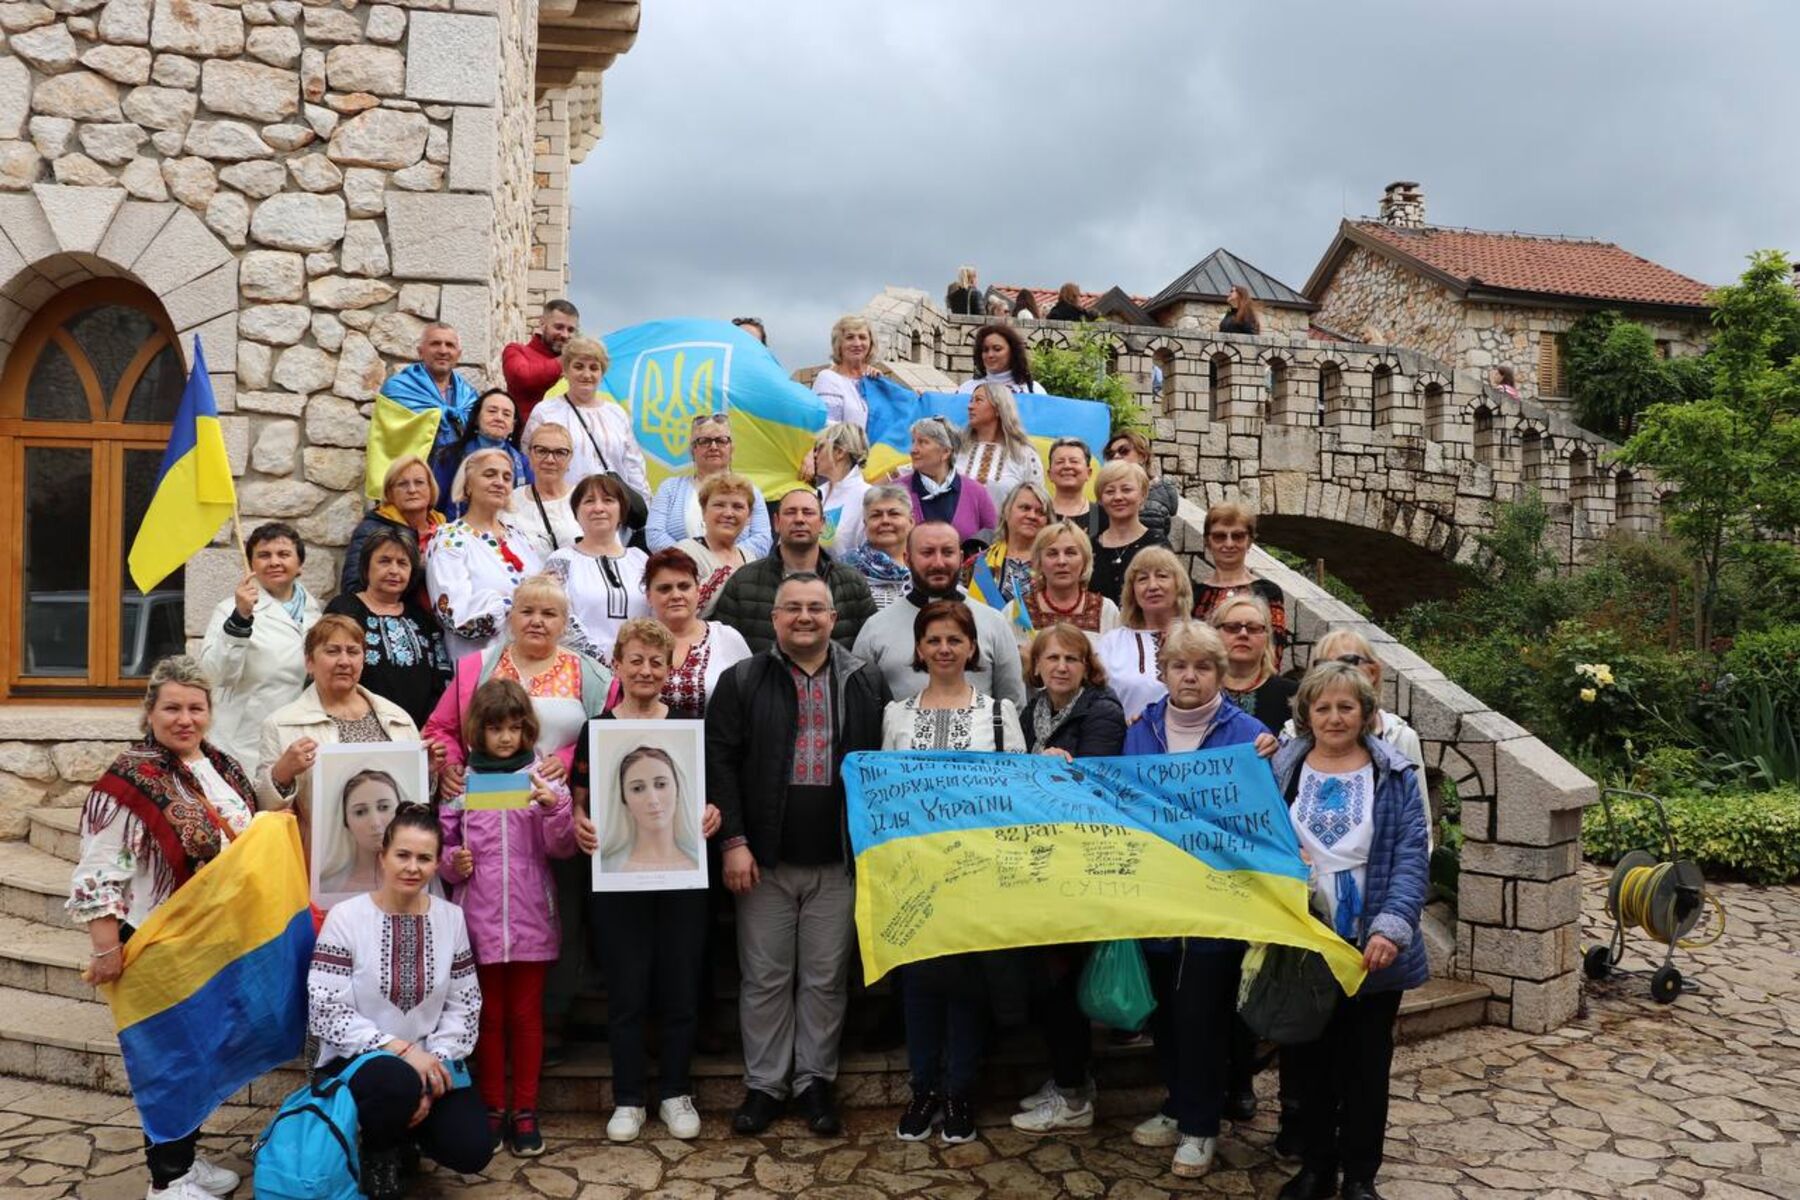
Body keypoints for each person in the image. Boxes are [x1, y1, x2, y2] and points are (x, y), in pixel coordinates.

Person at [707, 573, 891, 1137]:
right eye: (794, 608)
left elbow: (881, 766)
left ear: (835, 619)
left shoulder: (865, 680)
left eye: (816, 608)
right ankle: (765, 1085)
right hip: (763, 860)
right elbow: (720, 763)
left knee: (825, 978)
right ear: (775, 619)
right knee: (764, 977)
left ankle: (814, 1082)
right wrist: (734, 841)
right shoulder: (742, 680)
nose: (805, 617)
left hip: (837, 859)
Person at [69, 657, 260, 1200]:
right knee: (171, 1060)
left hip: (214, 941)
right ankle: (167, 1180)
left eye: (195, 707)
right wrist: (106, 949)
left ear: (209, 713)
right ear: (149, 711)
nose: (185, 718)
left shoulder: (220, 764)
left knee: (202, 1055)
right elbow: (103, 870)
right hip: (156, 939)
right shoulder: (131, 780)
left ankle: (184, 1159)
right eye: (171, 707)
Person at [421, 575, 610, 1064]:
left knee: (557, 910)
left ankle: (551, 1016)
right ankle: (486, 1033)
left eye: (549, 614)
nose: (537, 621)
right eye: (527, 611)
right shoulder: (475, 669)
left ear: (565, 623)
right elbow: (440, 729)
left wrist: (566, 762)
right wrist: (449, 766)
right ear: (511, 616)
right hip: (485, 816)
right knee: (490, 916)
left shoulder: (590, 675)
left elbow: (607, 736)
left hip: (554, 811)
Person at [1123, 620, 1279, 1179]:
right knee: (1163, 1008)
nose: (1190, 676)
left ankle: (1200, 1125)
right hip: (1157, 891)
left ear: (1220, 674)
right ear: (1162, 672)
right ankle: (1176, 1101)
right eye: (1179, 666)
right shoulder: (1141, 729)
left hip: (1218, 897)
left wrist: (1277, 753)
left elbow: (1268, 812)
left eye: (1203, 666)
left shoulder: (1249, 735)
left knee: (1202, 1011)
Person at [1271, 662, 1429, 1200]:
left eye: (1345, 707)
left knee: (1365, 1066)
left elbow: (1411, 858)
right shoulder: (1282, 770)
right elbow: (1259, 835)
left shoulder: (1395, 775)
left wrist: (1391, 927)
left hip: (1370, 944)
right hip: (1305, 938)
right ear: (1306, 714)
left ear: (1365, 713)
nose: (1334, 717)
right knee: (1307, 1060)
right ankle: (1316, 1166)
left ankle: (1360, 1176)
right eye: (1322, 707)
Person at [567, 620, 718, 1142]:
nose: (646, 670)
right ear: (618, 664)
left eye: (656, 661)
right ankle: (628, 1098)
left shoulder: (690, 727)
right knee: (627, 994)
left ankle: (676, 1092)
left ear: (670, 668)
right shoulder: (597, 729)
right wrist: (579, 821)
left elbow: (708, 795)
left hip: (682, 883)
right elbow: (581, 798)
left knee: (680, 988)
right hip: (617, 885)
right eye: (636, 660)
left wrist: (713, 813)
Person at [882, 600, 1024, 1146]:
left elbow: (1015, 792)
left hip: (977, 872)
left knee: (967, 986)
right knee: (920, 984)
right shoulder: (898, 714)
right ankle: (924, 1089)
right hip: (916, 872)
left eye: (954, 640)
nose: (944, 649)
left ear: (973, 648)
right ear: (919, 649)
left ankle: (960, 1089)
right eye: (934, 640)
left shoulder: (997, 714)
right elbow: (884, 794)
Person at [306, 805, 489, 1200]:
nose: (412, 867)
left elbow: (465, 1004)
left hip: (430, 1062)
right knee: (394, 1080)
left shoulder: (452, 919)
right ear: (383, 856)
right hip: (358, 1059)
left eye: (424, 858)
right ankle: (378, 1150)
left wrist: (434, 1063)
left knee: (472, 1148)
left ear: (438, 864)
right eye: (402, 855)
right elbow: (325, 1008)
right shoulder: (346, 918)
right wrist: (403, 1051)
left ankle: (405, 1136)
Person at [438, 677, 575, 1158]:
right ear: (479, 729)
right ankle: (493, 1107)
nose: (504, 738)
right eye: (495, 728)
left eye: (514, 729)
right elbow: (444, 848)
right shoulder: (462, 781)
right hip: (477, 919)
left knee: (526, 1017)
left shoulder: (542, 778)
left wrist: (553, 808)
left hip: (532, 914)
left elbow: (562, 846)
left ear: (527, 731)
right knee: (489, 1019)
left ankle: (526, 1109)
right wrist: (453, 862)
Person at [1010, 624, 1125, 1136]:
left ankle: (1074, 1095)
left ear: (1087, 666)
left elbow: (1095, 783)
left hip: (1079, 863)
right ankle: (1069, 1080)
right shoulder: (1022, 712)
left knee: (1064, 982)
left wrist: (1058, 768)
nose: (1060, 666)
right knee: (1047, 981)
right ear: (1035, 666)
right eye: (1050, 658)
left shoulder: (1101, 711)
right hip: (1036, 863)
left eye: (1071, 659)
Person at [255, 614, 423, 843]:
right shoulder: (281, 724)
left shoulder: (398, 718)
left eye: (353, 652)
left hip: (396, 859)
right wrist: (281, 774)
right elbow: (265, 812)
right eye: (332, 651)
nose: (344, 661)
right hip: (322, 865)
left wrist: (427, 771)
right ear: (309, 662)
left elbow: (416, 802)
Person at [1282, 629, 1432, 849]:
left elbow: (1419, 826)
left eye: (1347, 662)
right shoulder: (1292, 736)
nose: (1335, 672)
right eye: (1323, 665)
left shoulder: (1399, 736)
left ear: (1372, 671)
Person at [852, 522, 1027, 708]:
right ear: (907, 559)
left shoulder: (993, 623)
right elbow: (860, 707)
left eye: (947, 552)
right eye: (927, 553)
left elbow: (1013, 705)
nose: (938, 563)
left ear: (960, 558)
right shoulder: (876, 628)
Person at [198, 521, 321, 775]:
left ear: (300, 565)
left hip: (298, 739)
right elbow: (214, 675)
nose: (274, 562)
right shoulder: (228, 610)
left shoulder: (315, 613)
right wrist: (241, 618)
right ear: (252, 565)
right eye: (264, 555)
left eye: (284, 554)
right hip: (244, 743)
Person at [710, 486, 878, 654]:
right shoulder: (743, 582)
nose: (799, 519)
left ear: (822, 523)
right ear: (776, 523)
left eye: (808, 512)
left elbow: (869, 649)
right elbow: (723, 651)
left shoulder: (851, 583)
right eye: (790, 512)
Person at [425, 447, 545, 662]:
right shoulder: (450, 539)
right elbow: (456, 617)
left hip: (532, 667)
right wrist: (520, 604)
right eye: (489, 474)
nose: (499, 482)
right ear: (468, 484)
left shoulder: (519, 538)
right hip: (483, 670)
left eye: (507, 477)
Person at [327, 529, 453, 729]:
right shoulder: (344, 610)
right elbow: (329, 670)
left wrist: (431, 729)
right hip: (358, 732)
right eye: (384, 561)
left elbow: (442, 676)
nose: (394, 570)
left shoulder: (421, 617)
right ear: (367, 567)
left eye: (402, 563)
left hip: (417, 736)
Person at [522, 335, 651, 509]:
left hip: (610, 513)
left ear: (602, 373)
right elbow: (530, 460)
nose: (586, 374)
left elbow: (633, 467)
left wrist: (644, 507)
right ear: (565, 371)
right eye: (579, 366)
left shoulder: (616, 414)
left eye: (594, 368)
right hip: (561, 511)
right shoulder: (545, 412)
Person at [544, 473, 649, 666]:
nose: (598, 508)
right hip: (580, 668)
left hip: (639, 670)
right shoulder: (561, 560)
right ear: (576, 512)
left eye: (608, 500)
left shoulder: (640, 559)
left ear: (621, 510)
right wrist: (602, 662)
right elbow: (557, 615)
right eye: (589, 501)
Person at [646, 412, 773, 557]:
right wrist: (693, 560)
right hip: (682, 573)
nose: (713, 446)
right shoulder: (669, 489)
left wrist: (724, 559)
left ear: (731, 448)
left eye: (721, 440)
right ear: (693, 449)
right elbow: (654, 535)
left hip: (736, 575)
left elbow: (761, 540)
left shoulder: (750, 491)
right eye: (704, 441)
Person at [642, 549, 752, 714]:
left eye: (684, 586)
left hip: (716, 739)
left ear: (698, 590)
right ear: (649, 596)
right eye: (665, 589)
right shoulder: (634, 642)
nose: (676, 595)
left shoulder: (726, 638)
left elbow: (751, 700)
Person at [1095, 546, 1192, 720]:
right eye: (1142, 579)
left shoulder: (1199, 638)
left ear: (1179, 585)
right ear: (1132, 592)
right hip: (1126, 742)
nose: (1152, 586)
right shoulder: (1113, 643)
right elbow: (1094, 703)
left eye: (1162, 576)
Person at [1192, 501, 1288, 670]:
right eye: (1220, 536)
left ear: (1249, 541)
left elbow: (1274, 650)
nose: (1229, 544)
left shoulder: (1268, 592)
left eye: (1237, 536)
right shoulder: (1194, 595)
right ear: (1208, 542)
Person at [1002, 520, 1121, 648]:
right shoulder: (1016, 611)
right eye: (1052, 554)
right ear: (1039, 562)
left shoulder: (1106, 611)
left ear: (1085, 560)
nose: (1061, 561)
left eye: (1070, 553)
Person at [343, 455, 446, 597]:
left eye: (419, 482)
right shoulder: (371, 530)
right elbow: (352, 588)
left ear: (431, 489)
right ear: (389, 493)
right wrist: (419, 568)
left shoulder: (447, 530)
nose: (412, 490)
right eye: (402, 484)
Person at [377, 322, 478, 456]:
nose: (443, 351)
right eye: (435, 344)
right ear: (420, 352)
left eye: (450, 345)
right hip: (411, 473)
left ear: (458, 355)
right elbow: (391, 442)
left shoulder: (470, 398)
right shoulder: (398, 390)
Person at [433, 389, 531, 519]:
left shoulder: (523, 464)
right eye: (492, 411)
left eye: (506, 414)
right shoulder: (451, 456)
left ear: (513, 426)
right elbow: (434, 505)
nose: (499, 418)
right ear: (476, 419)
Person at [671, 471, 755, 616]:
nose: (728, 513)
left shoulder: (751, 559)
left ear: (749, 516)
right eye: (719, 505)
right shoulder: (684, 553)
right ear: (704, 511)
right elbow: (680, 611)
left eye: (737, 507)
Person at [1213, 593, 1298, 733]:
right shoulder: (1199, 692)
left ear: (1267, 638)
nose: (1243, 634)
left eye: (1253, 628)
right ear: (1215, 634)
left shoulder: (1293, 696)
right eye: (1232, 627)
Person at [902, 417, 996, 544]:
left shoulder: (977, 493)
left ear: (946, 452)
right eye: (913, 442)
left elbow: (995, 541)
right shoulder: (896, 491)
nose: (913, 450)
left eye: (923, 442)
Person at [956, 383, 1044, 513]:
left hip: (1004, 532)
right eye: (971, 401)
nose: (970, 406)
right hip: (955, 532)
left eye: (978, 400)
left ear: (998, 408)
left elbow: (1038, 503)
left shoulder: (1024, 455)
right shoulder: (956, 450)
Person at [1088, 461, 1167, 605]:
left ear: (1143, 495)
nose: (1118, 497)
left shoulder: (1157, 545)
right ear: (1100, 499)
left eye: (1126, 490)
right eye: (1110, 491)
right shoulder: (1089, 548)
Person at [317, 768, 404, 895]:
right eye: (360, 812)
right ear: (345, 821)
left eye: (384, 807)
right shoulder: (327, 887)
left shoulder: (419, 880)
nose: (375, 823)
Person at [962, 480, 1047, 608]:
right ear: (1007, 512)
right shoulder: (977, 564)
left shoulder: (1056, 564)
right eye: (1025, 508)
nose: (1032, 516)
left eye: (1041, 512)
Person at [501, 299, 581, 427]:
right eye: (559, 327)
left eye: (571, 330)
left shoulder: (576, 365)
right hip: (524, 440)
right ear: (542, 324)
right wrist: (566, 360)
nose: (565, 335)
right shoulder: (516, 350)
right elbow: (522, 377)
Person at [509, 421, 583, 559]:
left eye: (560, 452)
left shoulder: (586, 500)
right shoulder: (510, 501)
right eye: (541, 451)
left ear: (570, 458)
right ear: (529, 454)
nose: (550, 459)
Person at [839, 485, 914, 610]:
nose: (885, 521)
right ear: (865, 524)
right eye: (876, 515)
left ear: (911, 522)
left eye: (894, 513)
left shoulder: (926, 566)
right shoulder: (844, 572)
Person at [1102, 429, 1181, 546]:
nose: (1116, 457)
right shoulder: (1106, 491)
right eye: (1110, 454)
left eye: (1124, 451)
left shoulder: (1158, 496)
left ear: (1142, 457)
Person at [810, 422, 872, 552]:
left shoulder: (868, 497)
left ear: (839, 452)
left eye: (819, 448)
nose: (814, 455)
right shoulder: (815, 494)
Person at [811, 315, 880, 428]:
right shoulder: (828, 379)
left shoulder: (874, 381)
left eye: (862, 337)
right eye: (850, 337)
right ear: (839, 344)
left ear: (871, 344)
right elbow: (827, 429)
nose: (857, 343)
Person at [957, 322, 1045, 395]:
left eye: (997, 349)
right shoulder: (967, 389)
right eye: (985, 350)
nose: (990, 355)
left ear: (1013, 352)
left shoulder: (1033, 390)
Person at [1046, 437, 1097, 530]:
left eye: (1074, 461)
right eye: (1060, 462)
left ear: (1088, 473)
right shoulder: (1039, 513)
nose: (1067, 466)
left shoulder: (1102, 515)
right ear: (1050, 474)